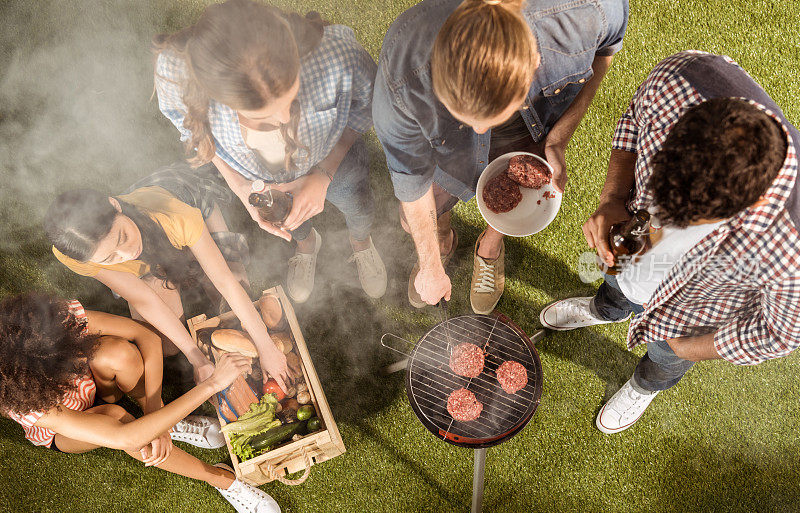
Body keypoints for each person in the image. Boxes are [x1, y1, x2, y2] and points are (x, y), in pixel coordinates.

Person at [539, 51, 800, 434]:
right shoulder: (683, 80)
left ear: (754, 202)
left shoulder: (791, 246)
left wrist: (687, 348)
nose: (659, 229)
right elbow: (632, 123)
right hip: (628, 253)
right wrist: (613, 200)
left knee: (663, 359)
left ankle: (644, 386)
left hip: (690, 316)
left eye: (688, 220)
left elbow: (779, 333)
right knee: (614, 286)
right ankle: (605, 309)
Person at [373, 0, 628, 313]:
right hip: (447, 150)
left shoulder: (589, 10)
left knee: (514, 197)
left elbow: (604, 53)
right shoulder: (404, 73)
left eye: (491, 116)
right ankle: (440, 242)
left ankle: (491, 246)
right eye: (464, 115)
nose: (479, 129)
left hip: (530, 127)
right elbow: (411, 177)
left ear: (534, 62)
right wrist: (429, 264)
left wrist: (559, 137)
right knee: (413, 220)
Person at [153, 0, 386, 303]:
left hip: (336, 162)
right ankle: (306, 245)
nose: (286, 119)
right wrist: (240, 187)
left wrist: (324, 174)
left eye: (291, 97)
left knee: (356, 204)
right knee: (289, 218)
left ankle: (361, 242)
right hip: (261, 181)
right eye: (264, 118)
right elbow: (193, 131)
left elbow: (365, 109)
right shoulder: (177, 73)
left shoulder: (338, 58)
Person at [0, 293, 281, 513]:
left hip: (96, 385)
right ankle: (221, 479)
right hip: (66, 427)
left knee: (119, 353)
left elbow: (146, 336)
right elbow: (127, 439)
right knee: (118, 420)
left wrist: (154, 411)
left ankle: (166, 424)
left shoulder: (52, 320)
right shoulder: (28, 401)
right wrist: (213, 384)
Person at [45, 164, 290, 392]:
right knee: (166, 345)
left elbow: (225, 282)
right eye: (109, 258)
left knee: (233, 288)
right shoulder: (75, 253)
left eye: (122, 238)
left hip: (183, 197)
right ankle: (162, 265)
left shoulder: (176, 216)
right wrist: (198, 359)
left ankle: (188, 261)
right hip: (151, 233)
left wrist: (266, 347)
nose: (128, 253)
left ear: (115, 206)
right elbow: (144, 300)